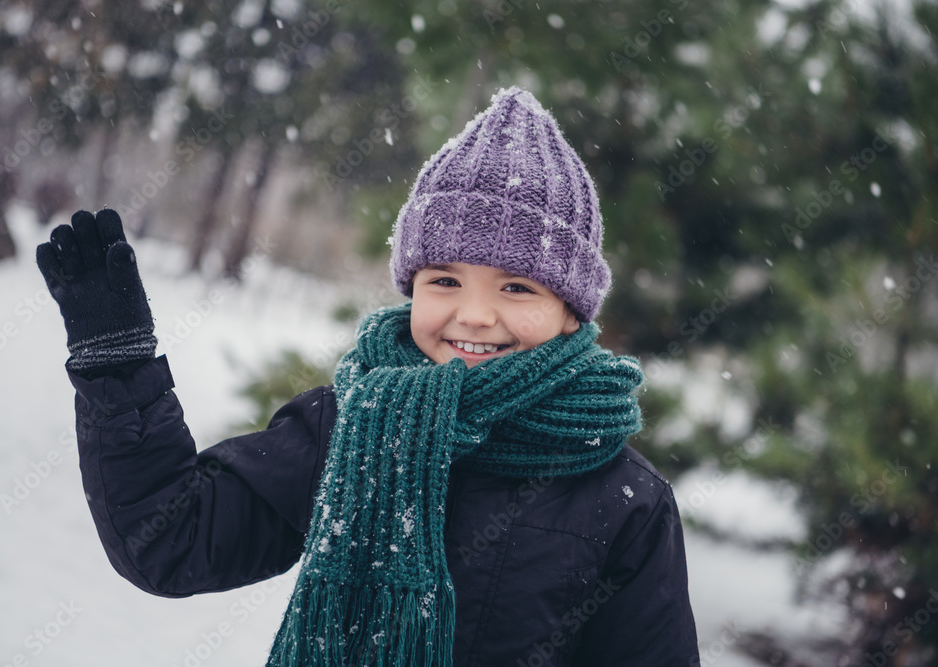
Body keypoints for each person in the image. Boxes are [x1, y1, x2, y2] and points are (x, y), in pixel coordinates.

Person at [37, 87, 699, 666]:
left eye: (517, 286)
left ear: (570, 312)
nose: (474, 313)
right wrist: (117, 365)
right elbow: (171, 540)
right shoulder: (347, 424)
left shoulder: (626, 501)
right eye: (444, 279)